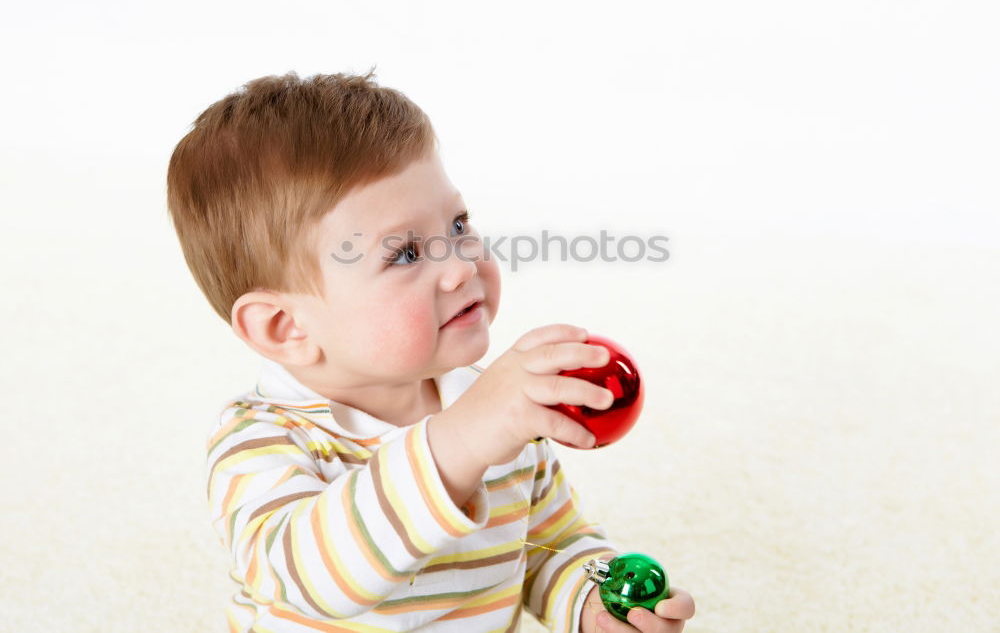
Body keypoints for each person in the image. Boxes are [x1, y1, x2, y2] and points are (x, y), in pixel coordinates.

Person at [166, 70, 695, 632]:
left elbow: (547, 545)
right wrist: (463, 436)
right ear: (284, 327)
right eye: (405, 254)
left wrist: (590, 601)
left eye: (458, 223)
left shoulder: (490, 406)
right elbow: (314, 578)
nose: (461, 264)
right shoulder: (261, 441)